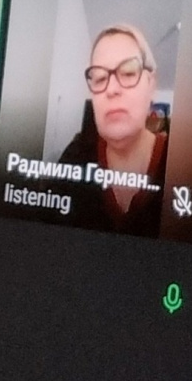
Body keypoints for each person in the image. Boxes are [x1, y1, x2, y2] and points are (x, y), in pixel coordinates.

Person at [58, 24, 168, 235]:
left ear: (151, 85)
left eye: (128, 73)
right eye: (100, 78)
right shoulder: (75, 156)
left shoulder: (181, 162)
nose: (111, 89)